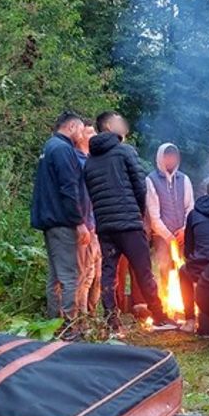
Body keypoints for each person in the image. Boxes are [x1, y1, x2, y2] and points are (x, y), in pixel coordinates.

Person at [84, 111, 177, 332]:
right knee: (144, 270)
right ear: (108, 126)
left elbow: (91, 194)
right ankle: (159, 315)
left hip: (105, 226)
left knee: (109, 271)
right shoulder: (125, 151)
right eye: (119, 121)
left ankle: (110, 320)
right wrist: (138, 213)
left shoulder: (90, 161)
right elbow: (140, 186)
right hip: (128, 223)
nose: (123, 125)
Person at [30, 111, 87, 323]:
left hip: (49, 220)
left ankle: (53, 322)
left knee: (55, 275)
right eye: (81, 129)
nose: (81, 135)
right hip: (62, 221)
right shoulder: (63, 149)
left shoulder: (49, 147)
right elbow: (68, 188)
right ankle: (69, 326)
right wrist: (79, 221)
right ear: (71, 127)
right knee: (69, 275)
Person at [145, 142, 195, 285]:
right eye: (167, 156)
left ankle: (187, 303)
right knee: (166, 269)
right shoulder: (151, 180)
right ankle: (169, 304)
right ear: (160, 158)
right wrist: (168, 236)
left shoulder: (184, 179)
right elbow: (153, 214)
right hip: (161, 237)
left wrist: (185, 230)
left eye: (173, 156)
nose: (170, 159)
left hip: (183, 236)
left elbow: (190, 207)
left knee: (185, 269)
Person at [181, 177, 209, 330]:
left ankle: (190, 320)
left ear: (206, 193)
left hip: (200, 269)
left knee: (183, 271)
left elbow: (188, 250)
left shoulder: (194, 214)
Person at [70, 117, 101, 315]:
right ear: (80, 137)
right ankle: (79, 320)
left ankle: (91, 315)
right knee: (83, 275)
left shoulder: (93, 161)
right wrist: (83, 223)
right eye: (89, 133)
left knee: (95, 275)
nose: (94, 137)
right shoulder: (76, 160)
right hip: (85, 225)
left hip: (97, 226)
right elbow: (77, 196)